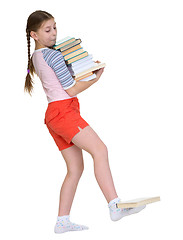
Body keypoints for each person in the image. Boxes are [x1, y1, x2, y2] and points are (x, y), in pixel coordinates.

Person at [25, 10, 145, 234]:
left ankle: (62, 221)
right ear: (34, 35)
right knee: (100, 150)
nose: (53, 34)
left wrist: (84, 71)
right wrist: (95, 77)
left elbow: (60, 82)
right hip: (64, 112)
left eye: (55, 28)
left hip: (53, 115)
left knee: (75, 168)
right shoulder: (52, 55)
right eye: (47, 30)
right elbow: (70, 88)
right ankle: (114, 205)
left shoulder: (36, 57)